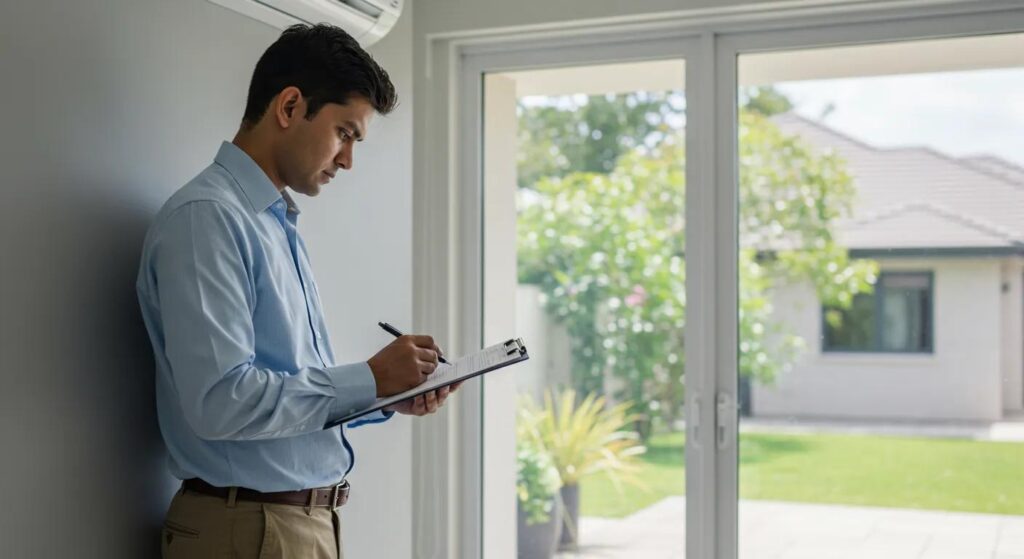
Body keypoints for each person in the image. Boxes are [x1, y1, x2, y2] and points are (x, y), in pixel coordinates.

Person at [135, 23, 457, 558]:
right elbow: (221, 401)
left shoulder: (270, 221)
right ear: (289, 107)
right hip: (250, 531)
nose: (349, 160)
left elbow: (282, 389)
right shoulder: (208, 220)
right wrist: (369, 378)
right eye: (345, 133)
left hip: (283, 526)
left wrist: (384, 391)